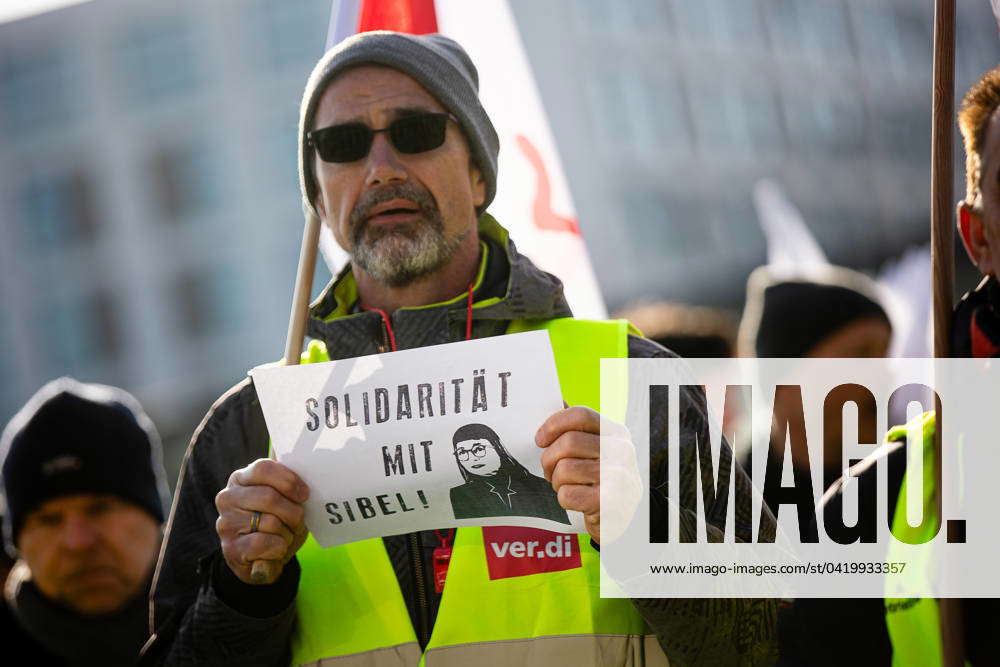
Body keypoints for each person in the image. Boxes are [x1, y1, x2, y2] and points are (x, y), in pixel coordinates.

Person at [143, 31, 776, 666]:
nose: (381, 167)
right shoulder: (248, 428)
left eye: (416, 132)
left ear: (478, 173)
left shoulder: (628, 378)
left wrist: (640, 530)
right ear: (317, 192)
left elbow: (767, 643)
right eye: (341, 144)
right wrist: (242, 592)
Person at [779, 65, 1000, 667]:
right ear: (978, 239)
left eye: (880, 354)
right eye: (856, 357)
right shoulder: (862, 513)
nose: (877, 377)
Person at [0, 378, 170, 666]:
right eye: (49, 519)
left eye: (99, 508)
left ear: (158, 520)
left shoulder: (246, 620)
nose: (78, 542)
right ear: (18, 545)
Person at [449, 423, 570, 524]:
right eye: (462, 452)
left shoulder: (544, 486)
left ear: (498, 448)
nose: (472, 458)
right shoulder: (460, 494)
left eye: (479, 449)